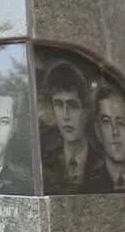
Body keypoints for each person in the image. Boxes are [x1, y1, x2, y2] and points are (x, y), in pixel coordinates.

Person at [40, 62, 100, 193]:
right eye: (59, 105)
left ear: (86, 111)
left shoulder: (101, 154)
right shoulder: (41, 152)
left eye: (72, 105)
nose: (65, 116)